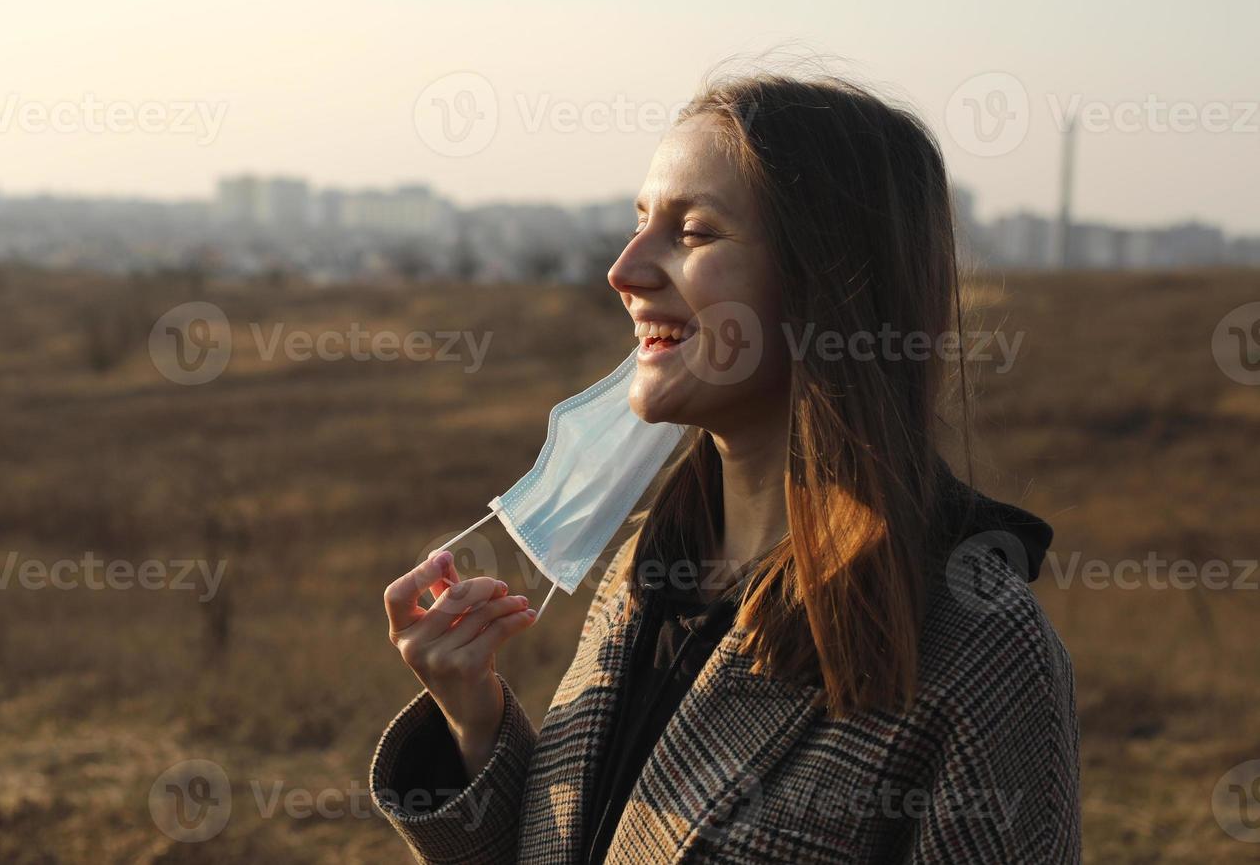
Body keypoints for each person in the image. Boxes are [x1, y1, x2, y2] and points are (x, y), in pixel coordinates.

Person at [374, 69, 1081, 863]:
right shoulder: (647, 571)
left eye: (694, 233)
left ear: (828, 282)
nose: (625, 271)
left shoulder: (972, 644)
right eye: (639, 223)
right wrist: (473, 722)